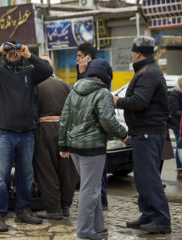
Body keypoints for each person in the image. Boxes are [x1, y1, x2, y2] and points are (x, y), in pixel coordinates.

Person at [0, 41, 53, 232]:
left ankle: (23, 210)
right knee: (0, 177)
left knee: (26, 175)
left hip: (27, 132)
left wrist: (28, 54)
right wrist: (0, 49)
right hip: (3, 133)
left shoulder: (30, 73)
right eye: (9, 51)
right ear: (4, 55)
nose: (12, 53)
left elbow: (47, 70)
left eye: (15, 50)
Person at [59, 59, 127, 240]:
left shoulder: (75, 89)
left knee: (92, 186)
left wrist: (63, 144)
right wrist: (123, 134)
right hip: (92, 148)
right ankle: (84, 230)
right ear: (105, 76)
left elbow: (64, 117)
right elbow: (108, 120)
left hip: (73, 146)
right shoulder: (103, 92)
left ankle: (98, 225)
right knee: (90, 190)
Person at [114, 36, 171, 234]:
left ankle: (161, 220)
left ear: (137, 52)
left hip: (148, 132)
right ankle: (148, 214)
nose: (131, 55)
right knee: (142, 177)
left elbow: (139, 101)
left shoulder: (148, 73)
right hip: (143, 132)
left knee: (149, 177)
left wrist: (117, 101)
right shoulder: (147, 71)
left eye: (132, 52)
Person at [33, 55, 78, 220]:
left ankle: (54, 209)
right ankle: (65, 206)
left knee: (46, 170)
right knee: (67, 169)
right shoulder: (65, 85)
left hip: (44, 130)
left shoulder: (36, 86)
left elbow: (33, 113)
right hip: (66, 130)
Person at [76, 42, 110, 210]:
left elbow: (86, 95)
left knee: (98, 172)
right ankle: (95, 201)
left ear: (88, 58)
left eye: (79, 56)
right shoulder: (83, 72)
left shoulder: (98, 73)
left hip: (95, 133)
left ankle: (100, 201)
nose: (77, 60)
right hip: (84, 132)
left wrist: (83, 74)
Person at [168, 74, 182, 179]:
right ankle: (180, 170)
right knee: (179, 146)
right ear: (180, 84)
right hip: (177, 124)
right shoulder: (174, 95)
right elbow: (174, 112)